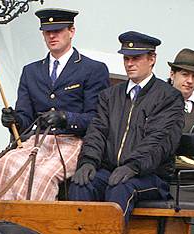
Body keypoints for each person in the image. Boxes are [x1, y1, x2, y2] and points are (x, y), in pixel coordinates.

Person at [0, 8, 110, 201]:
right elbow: (25, 118)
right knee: (5, 163)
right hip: (38, 141)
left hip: (74, 142)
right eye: (47, 32)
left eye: (58, 30)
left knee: (42, 176)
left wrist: (66, 118)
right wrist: (13, 120)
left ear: (71, 31)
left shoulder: (93, 69)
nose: (52, 36)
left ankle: (31, 228)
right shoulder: (31, 71)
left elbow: (97, 118)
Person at [67, 31, 184, 220]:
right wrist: (88, 161)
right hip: (111, 170)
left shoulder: (168, 97)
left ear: (152, 58)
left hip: (149, 175)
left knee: (120, 189)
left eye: (136, 58)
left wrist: (133, 166)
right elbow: (97, 131)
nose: (129, 64)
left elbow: (159, 140)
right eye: (126, 59)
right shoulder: (110, 95)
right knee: (82, 184)